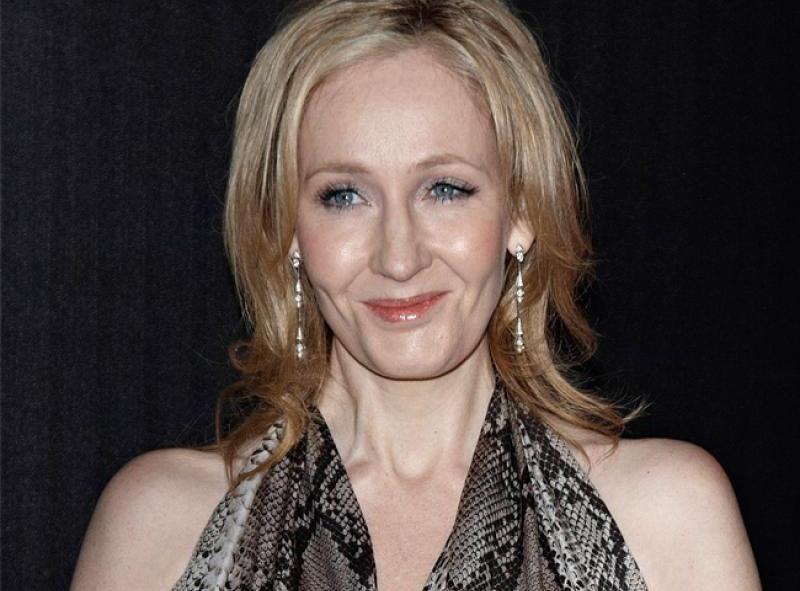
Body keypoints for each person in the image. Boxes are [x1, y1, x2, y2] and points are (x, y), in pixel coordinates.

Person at [70, 1, 761, 589]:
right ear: (285, 230)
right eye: (345, 196)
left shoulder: (667, 519)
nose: (399, 258)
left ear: (521, 211)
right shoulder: (160, 523)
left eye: (446, 189)